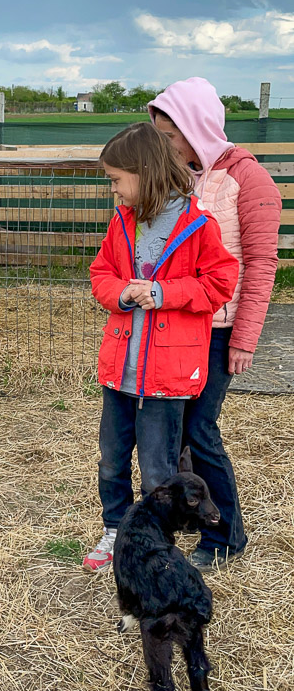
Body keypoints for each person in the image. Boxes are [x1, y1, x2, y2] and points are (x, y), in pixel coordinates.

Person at [83, 122, 239, 573]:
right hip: (121, 371)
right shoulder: (122, 223)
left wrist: (163, 293)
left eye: (116, 180)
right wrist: (120, 293)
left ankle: (155, 542)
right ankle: (116, 529)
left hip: (167, 380)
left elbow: (220, 282)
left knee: (157, 474)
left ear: (144, 171)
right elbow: (100, 274)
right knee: (112, 460)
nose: (114, 191)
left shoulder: (198, 225)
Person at [144, 77, 282, 572]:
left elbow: (262, 264)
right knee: (179, 430)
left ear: (195, 128)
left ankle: (226, 536)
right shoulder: (185, 177)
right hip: (184, 324)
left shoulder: (251, 181)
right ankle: (194, 520)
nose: (164, 146)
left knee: (200, 429)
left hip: (221, 330)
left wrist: (244, 339)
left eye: (169, 136)